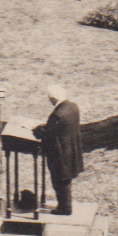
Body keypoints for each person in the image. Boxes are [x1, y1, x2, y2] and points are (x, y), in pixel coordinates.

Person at [32, 84, 83, 216]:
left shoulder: (57, 114)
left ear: (53, 99)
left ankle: (64, 208)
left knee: (59, 181)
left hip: (60, 154)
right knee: (65, 180)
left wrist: (37, 131)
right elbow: (57, 128)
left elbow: (48, 134)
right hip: (71, 149)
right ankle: (65, 205)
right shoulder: (73, 107)